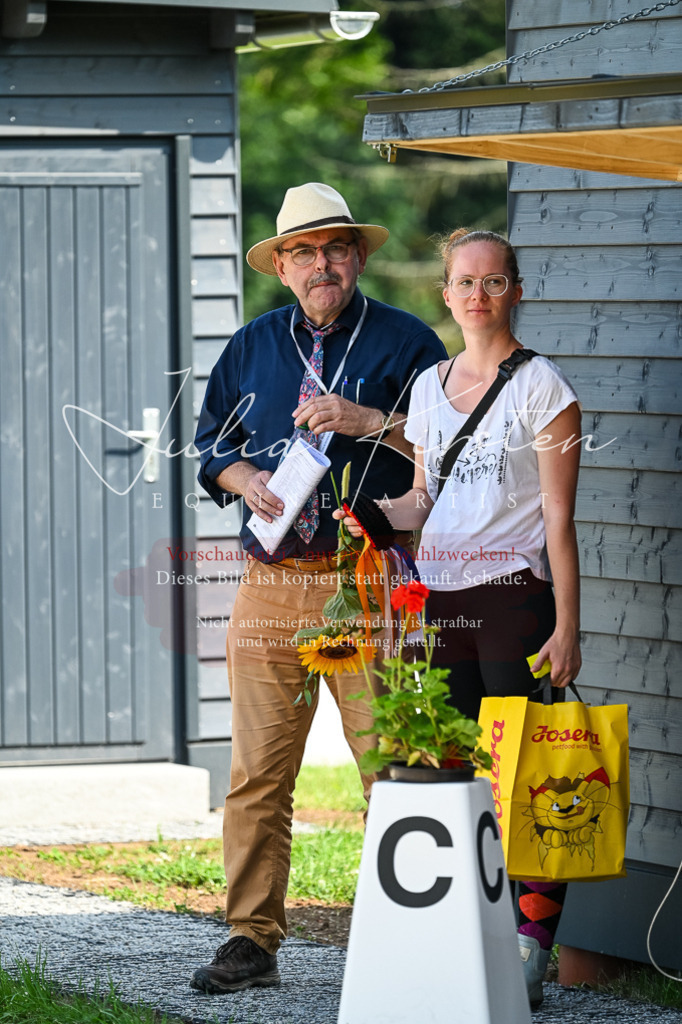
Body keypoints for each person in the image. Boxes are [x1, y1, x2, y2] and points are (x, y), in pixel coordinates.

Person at [190, 182, 446, 994]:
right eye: (303, 251)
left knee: (389, 767)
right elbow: (206, 443)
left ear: (360, 256)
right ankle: (250, 940)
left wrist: (370, 421)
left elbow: (452, 446)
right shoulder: (252, 344)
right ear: (282, 267)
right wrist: (242, 476)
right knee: (258, 774)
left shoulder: (407, 342)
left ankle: (405, 936)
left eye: (335, 247)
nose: (321, 263)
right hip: (269, 583)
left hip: (365, 581)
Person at [336, 228, 582, 1010]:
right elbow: (422, 502)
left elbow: (559, 517)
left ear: (516, 289)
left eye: (493, 282)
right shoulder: (427, 389)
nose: (478, 296)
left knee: (526, 778)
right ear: (445, 293)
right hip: (439, 607)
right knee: (448, 769)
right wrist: (373, 515)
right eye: (464, 283)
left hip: (513, 600)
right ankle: (458, 932)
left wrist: (567, 626)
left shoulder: (545, 388)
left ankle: (530, 946)